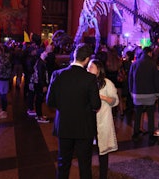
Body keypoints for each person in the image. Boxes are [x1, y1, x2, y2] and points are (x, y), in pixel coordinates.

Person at [46, 43, 101, 179]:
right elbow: (96, 104)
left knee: (63, 163)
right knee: (84, 164)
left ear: (75, 55)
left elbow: (50, 102)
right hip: (84, 127)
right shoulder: (90, 78)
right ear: (87, 59)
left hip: (64, 124)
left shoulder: (57, 74)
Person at [87, 59, 119, 179]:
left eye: (91, 67)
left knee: (103, 151)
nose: (88, 69)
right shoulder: (86, 82)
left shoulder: (107, 83)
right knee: (87, 150)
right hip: (88, 121)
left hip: (103, 120)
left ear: (99, 70)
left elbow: (115, 101)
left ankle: (103, 175)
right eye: (88, 67)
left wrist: (103, 97)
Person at [129, 47, 159, 146]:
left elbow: (130, 79)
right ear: (150, 53)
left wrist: (131, 91)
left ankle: (135, 134)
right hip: (150, 94)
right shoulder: (152, 64)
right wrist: (157, 93)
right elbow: (156, 79)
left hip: (137, 93)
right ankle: (151, 136)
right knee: (151, 116)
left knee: (138, 115)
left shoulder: (134, 63)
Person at [27, 48, 50, 123]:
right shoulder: (40, 63)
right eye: (44, 52)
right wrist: (43, 85)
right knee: (39, 100)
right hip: (39, 84)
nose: (46, 53)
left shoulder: (40, 62)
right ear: (41, 54)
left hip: (38, 83)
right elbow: (40, 75)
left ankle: (39, 115)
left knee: (39, 100)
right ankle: (39, 116)